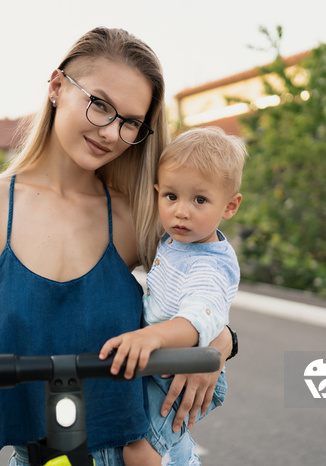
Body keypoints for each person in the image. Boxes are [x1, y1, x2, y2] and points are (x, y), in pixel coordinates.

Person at [0, 27, 232, 465]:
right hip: (41, 458)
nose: (112, 133)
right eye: (100, 105)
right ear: (56, 87)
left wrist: (221, 344)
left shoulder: (137, 216)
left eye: (130, 122)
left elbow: (206, 287)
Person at [100, 126, 246, 465]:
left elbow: (197, 321)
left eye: (199, 200)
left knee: (139, 450)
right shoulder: (178, 239)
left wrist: (151, 336)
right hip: (163, 365)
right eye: (171, 196)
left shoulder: (210, 266)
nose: (181, 211)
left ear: (230, 206)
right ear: (157, 193)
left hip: (182, 373)